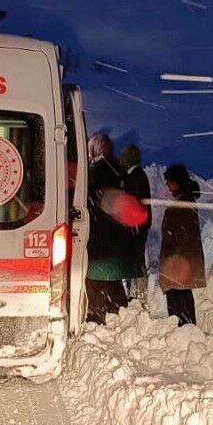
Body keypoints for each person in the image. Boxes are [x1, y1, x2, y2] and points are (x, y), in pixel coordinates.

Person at [84, 133, 135, 322]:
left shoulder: (93, 172)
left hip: (98, 234)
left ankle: (96, 313)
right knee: (112, 278)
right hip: (117, 236)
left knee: (94, 277)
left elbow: (86, 201)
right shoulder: (120, 172)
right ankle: (119, 309)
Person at [159, 164, 206, 327]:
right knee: (183, 297)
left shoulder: (182, 205)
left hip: (179, 265)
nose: (167, 185)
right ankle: (185, 329)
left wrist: (172, 262)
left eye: (169, 181)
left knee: (179, 301)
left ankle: (183, 331)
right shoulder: (185, 201)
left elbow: (181, 237)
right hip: (181, 263)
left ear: (176, 182)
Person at [118, 143, 152, 301]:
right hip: (137, 227)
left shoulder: (136, 177)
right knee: (136, 259)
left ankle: (139, 294)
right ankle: (137, 292)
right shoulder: (137, 175)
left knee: (137, 260)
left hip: (136, 227)